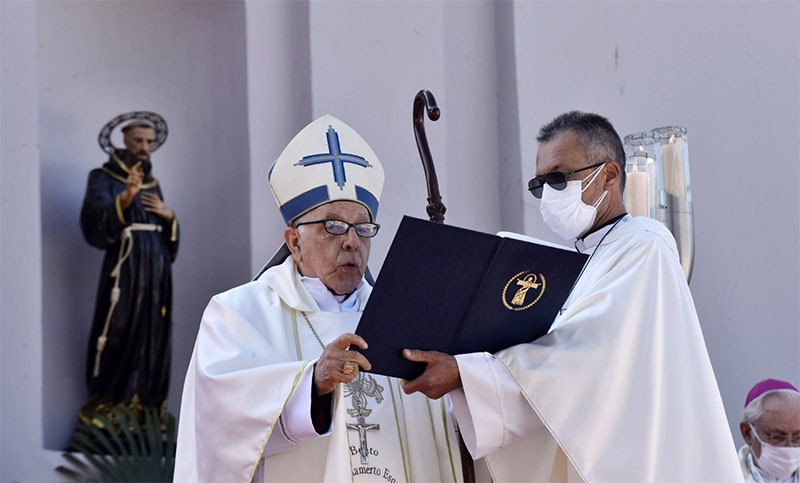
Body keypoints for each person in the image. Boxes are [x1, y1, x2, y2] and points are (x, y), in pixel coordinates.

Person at [401, 111, 744, 482]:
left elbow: (589, 356)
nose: (548, 194)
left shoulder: (645, 245)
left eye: (558, 178)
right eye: (540, 184)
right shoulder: (581, 263)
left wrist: (470, 375)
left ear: (610, 176)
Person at [174, 115, 465, 482]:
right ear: (294, 242)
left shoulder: (408, 322)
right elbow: (218, 422)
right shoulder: (238, 313)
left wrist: (465, 379)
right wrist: (310, 385)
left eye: (363, 227)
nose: (350, 241)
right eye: (332, 225)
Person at [79, 116, 179, 424]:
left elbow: (170, 239)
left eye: (149, 142)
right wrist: (125, 198)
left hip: (156, 268)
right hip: (125, 267)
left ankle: (147, 407)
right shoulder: (103, 177)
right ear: (125, 141)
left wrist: (169, 217)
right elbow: (93, 223)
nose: (145, 148)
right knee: (119, 327)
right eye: (139, 141)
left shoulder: (154, 184)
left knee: (153, 333)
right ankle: (110, 403)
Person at [739, 378, 800, 482]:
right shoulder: (723, 476)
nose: (790, 446)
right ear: (748, 433)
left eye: (797, 436)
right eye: (777, 436)